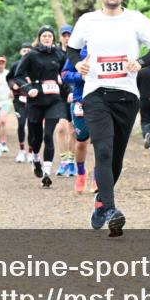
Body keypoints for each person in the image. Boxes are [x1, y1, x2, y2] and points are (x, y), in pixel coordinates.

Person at [67, 0, 150, 236]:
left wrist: (141, 62)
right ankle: (110, 209)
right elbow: (72, 48)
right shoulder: (87, 20)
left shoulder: (136, 19)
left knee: (116, 159)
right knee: (104, 150)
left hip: (127, 96)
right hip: (96, 94)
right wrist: (79, 64)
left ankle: (100, 205)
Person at [14, 25, 67, 187]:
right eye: (44, 36)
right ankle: (36, 159)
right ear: (39, 38)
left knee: (48, 134)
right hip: (36, 99)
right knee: (35, 137)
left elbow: (66, 73)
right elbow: (18, 76)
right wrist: (28, 89)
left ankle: (47, 171)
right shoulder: (31, 55)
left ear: (53, 38)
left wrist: (68, 88)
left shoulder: (59, 54)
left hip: (54, 100)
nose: (47, 38)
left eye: (50, 36)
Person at [61, 45, 93, 194]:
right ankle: (81, 173)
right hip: (80, 100)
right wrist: (80, 75)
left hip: (102, 101)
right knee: (81, 143)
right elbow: (65, 74)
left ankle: (99, 176)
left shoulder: (109, 46)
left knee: (102, 142)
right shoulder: (79, 52)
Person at [56, 24, 78, 177]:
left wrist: (73, 90)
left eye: (69, 35)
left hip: (74, 95)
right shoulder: (56, 53)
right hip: (59, 96)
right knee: (61, 129)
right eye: (64, 35)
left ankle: (71, 162)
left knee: (72, 130)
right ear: (60, 38)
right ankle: (63, 161)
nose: (66, 38)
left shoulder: (76, 53)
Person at [7, 43, 32, 163]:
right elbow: (9, 78)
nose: (26, 52)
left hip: (33, 100)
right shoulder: (15, 65)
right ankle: (22, 151)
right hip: (19, 100)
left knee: (33, 125)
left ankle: (31, 152)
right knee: (21, 124)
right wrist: (13, 85)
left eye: (28, 50)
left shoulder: (35, 65)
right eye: (24, 50)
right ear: (20, 52)